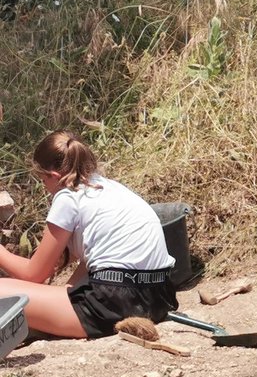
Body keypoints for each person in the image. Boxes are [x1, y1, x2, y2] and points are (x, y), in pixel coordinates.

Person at [0, 131, 178, 339]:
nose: (45, 188)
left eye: (43, 180)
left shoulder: (68, 196)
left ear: (55, 176)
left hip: (114, 303)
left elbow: (34, 274)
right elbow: (93, 263)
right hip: (159, 297)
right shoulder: (110, 188)